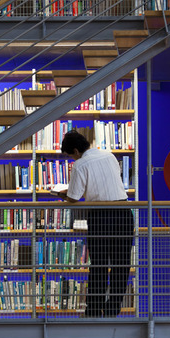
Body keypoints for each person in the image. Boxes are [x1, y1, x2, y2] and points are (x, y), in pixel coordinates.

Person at [56, 130, 134, 317]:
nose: (72, 159)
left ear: (76, 151)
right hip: (124, 212)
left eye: (71, 155)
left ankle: (94, 309)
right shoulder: (109, 155)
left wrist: (62, 194)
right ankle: (112, 308)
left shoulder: (80, 165)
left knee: (99, 263)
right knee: (121, 264)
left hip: (101, 216)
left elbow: (74, 197)